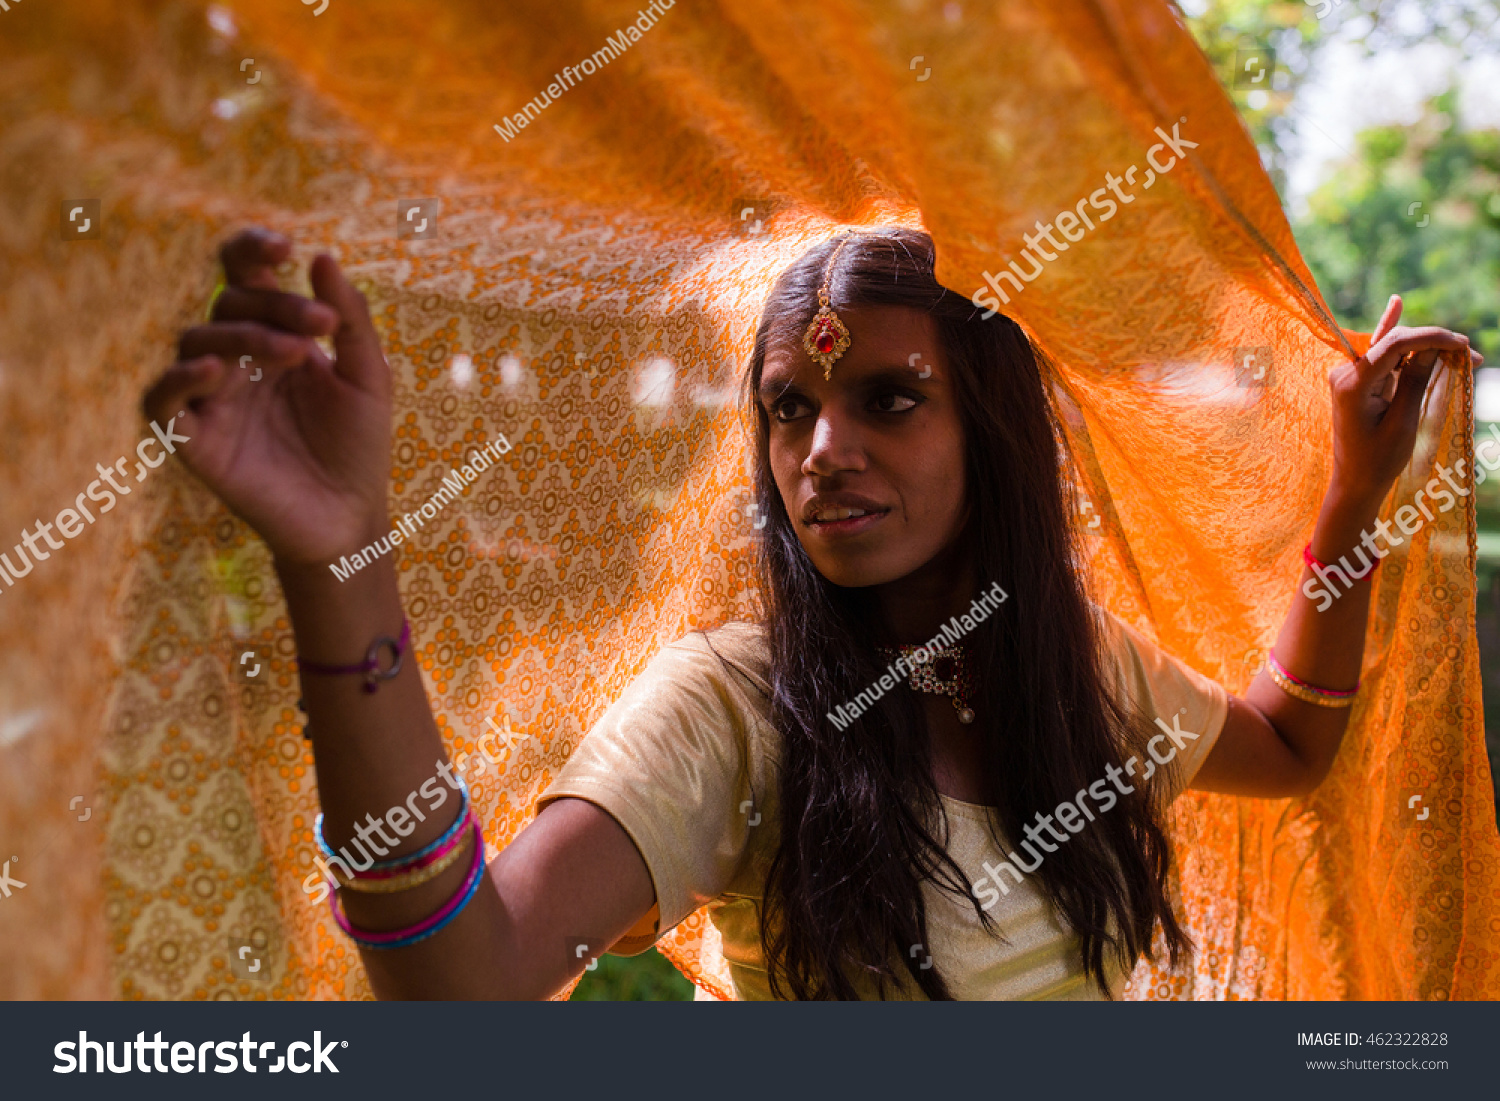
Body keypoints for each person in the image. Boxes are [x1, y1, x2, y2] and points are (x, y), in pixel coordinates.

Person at [143, 225, 1480, 1000]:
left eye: (887, 398)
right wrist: (340, 560)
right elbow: (465, 1008)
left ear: (994, 432)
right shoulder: (732, 706)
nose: (821, 447)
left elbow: (1291, 744)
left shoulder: (1081, 674)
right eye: (790, 406)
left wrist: (1356, 496)